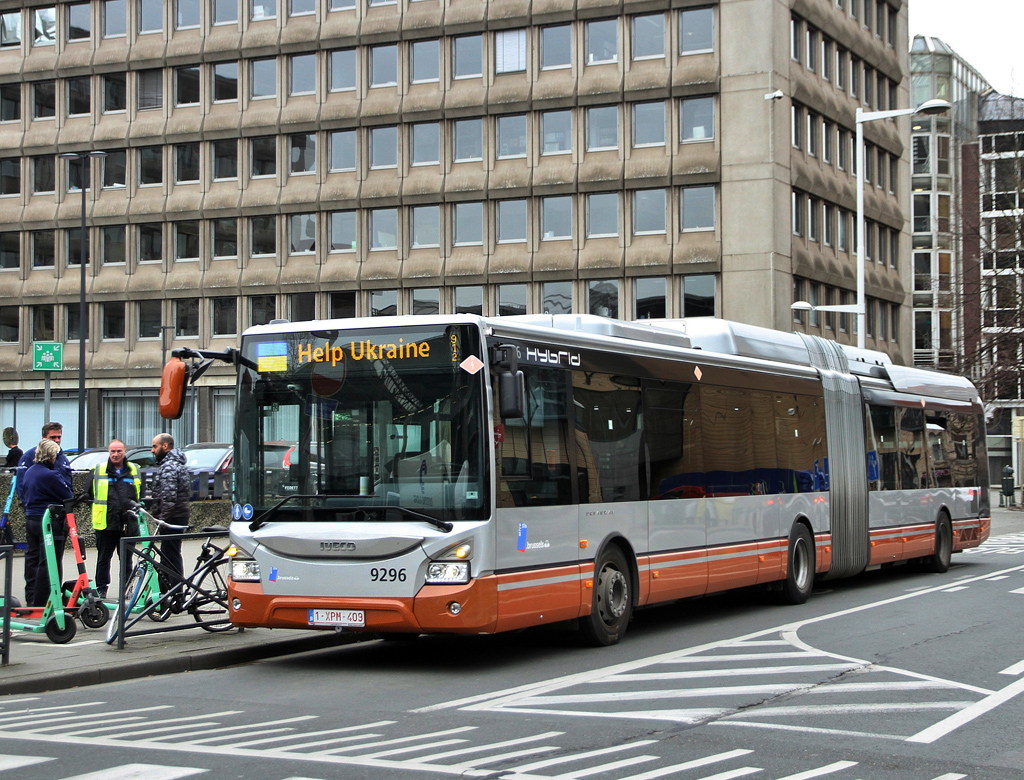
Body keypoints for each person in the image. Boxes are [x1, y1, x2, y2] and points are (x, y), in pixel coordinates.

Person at [21, 439, 73, 606]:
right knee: (49, 561)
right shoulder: (50, 475)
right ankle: (44, 602)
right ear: (51, 456)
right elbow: (67, 494)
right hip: (48, 521)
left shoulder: (30, 471)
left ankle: (31, 598)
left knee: (32, 559)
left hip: (31, 519)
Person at [87, 439, 141, 599]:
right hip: (106, 523)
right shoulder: (98, 470)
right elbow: (89, 495)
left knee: (126, 560)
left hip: (127, 524)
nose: (116, 454)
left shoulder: (134, 470)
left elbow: (140, 495)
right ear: (109, 453)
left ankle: (127, 590)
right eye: (113, 451)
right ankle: (101, 589)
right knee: (103, 559)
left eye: (119, 451)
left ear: (124, 452)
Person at [149, 433, 191, 586]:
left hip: (172, 518)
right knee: (171, 554)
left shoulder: (169, 466)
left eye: (155, 446)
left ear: (164, 446)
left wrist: (162, 519)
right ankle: (171, 589)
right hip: (179, 515)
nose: (152, 450)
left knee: (169, 555)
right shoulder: (177, 464)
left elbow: (169, 497)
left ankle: (173, 590)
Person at [16, 422, 72, 505]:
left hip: (61, 508)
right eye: (53, 437)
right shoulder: (30, 456)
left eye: (59, 437)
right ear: (44, 438)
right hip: (40, 509)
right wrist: (29, 506)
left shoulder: (62, 458)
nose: (57, 440)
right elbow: (21, 485)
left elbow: (68, 483)